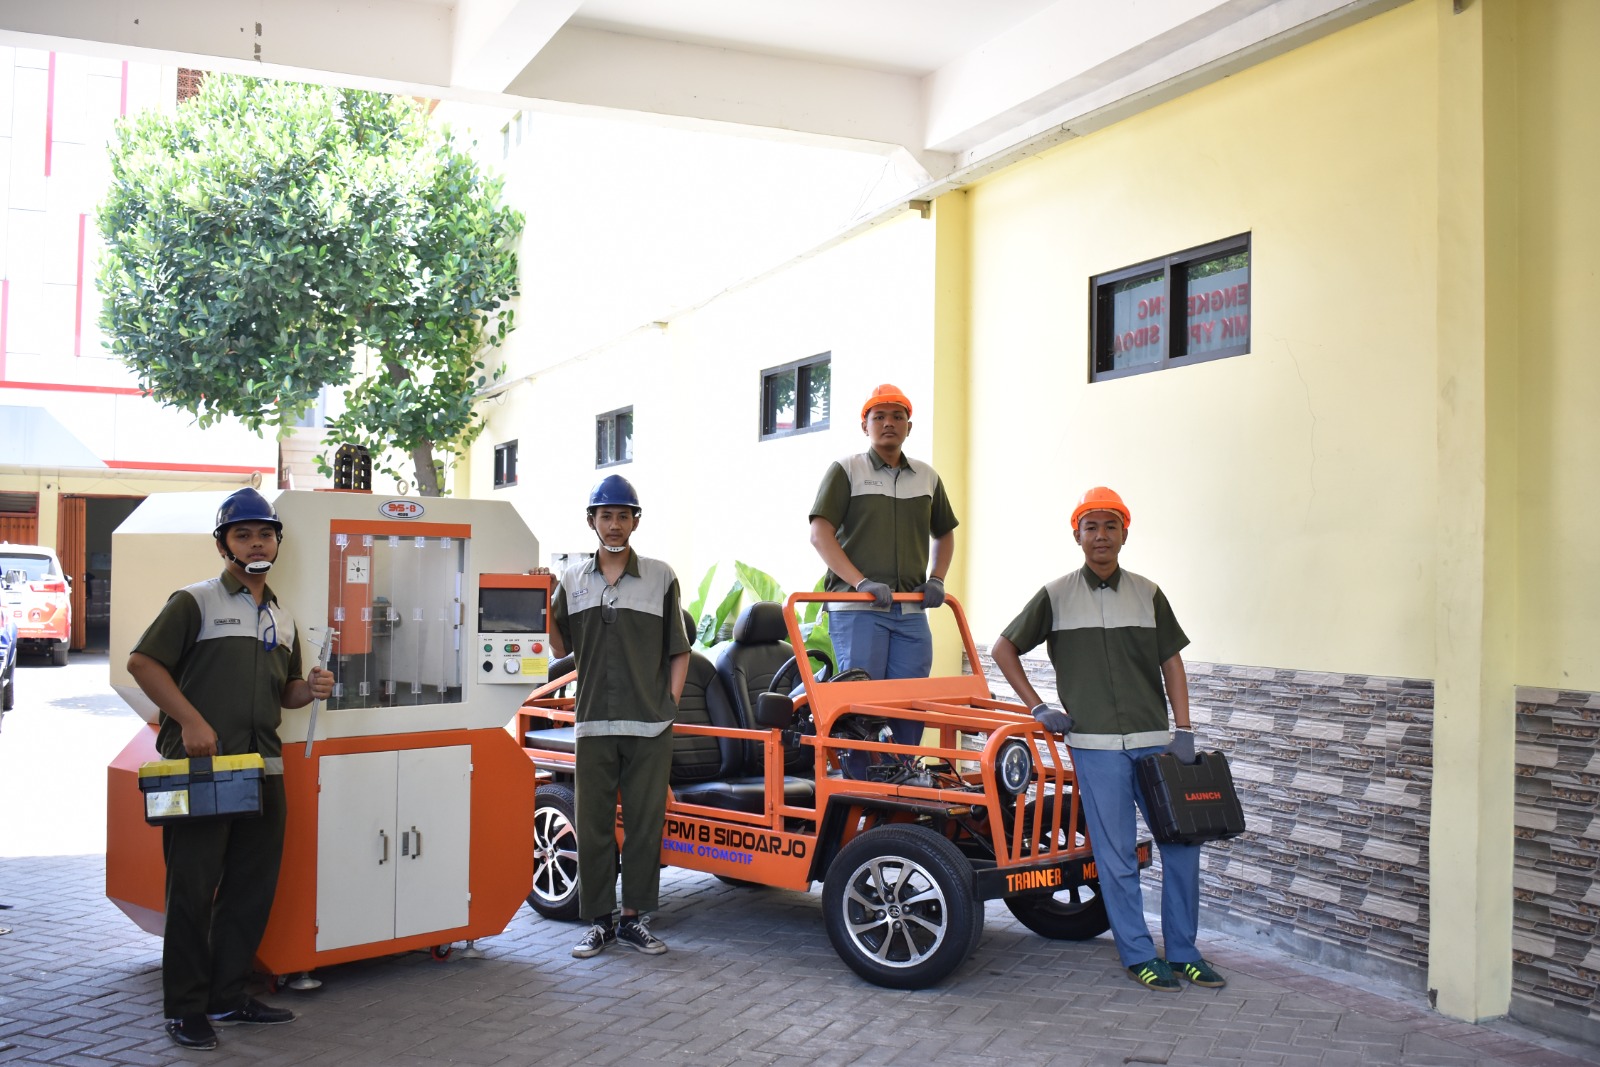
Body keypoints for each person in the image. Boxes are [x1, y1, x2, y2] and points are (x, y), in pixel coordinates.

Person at [991, 486, 1226, 993]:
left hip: (1156, 745)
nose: (1101, 536)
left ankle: (1184, 952)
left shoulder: (1148, 592)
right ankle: (1139, 955)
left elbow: (1172, 662)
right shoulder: (1055, 595)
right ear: (1076, 535)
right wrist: (1037, 707)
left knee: (1182, 849)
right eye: (1091, 527)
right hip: (1094, 746)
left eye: (1110, 526)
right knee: (1116, 856)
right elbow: (1004, 647)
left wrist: (1183, 730)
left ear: (1124, 533)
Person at [126, 488, 334, 1051]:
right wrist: (191, 721)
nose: (255, 542)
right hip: (203, 773)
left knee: (249, 888)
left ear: (276, 543)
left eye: (264, 533)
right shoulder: (193, 602)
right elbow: (143, 663)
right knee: (192, 891)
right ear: (224, 545)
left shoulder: (283, 617)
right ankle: (185, 1008)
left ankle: (228, 994)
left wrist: (308, 689)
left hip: (264, 770)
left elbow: (285, 694)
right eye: (242, 534)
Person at [550, 474, 690, 959]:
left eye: (623, 515)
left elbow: (679, 650)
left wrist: (668, 707)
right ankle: (600, 923)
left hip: (650, 725)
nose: (614, 524)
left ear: (635, 521)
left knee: (645, 824)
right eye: (605, 515)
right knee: (591, 825)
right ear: (592, 521)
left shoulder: (661, 576)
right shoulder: (571, 580)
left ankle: (635, 919)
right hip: (592, 722)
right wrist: (536, 596)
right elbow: (558, 645)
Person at [809, 384, 958, 766]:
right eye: (879, 417)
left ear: (909, 426)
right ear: (865, 425)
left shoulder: (926, 477)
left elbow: (944, 533)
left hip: (910, 614)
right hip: (858, 611)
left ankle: (902, 785)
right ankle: (859, 793)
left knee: (910, 706)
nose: (888, 423)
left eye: (897, 416)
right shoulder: (846, 470)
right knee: (860, 709)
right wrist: (860, 582)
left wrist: (937, 579)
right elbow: (820, 534)